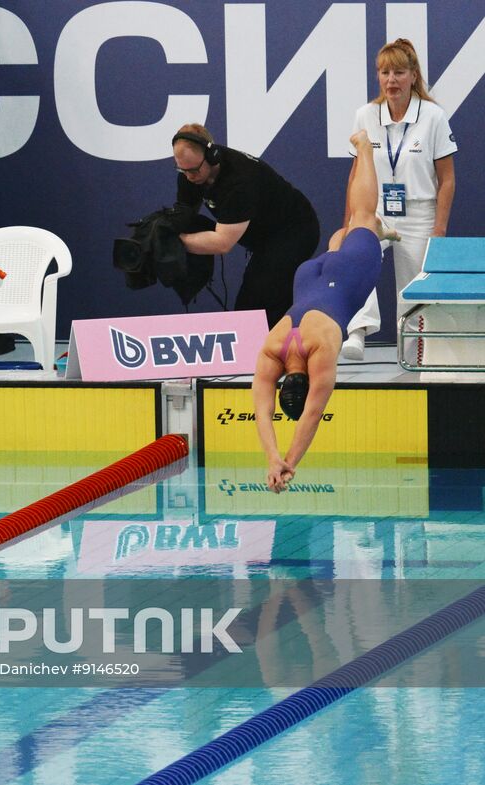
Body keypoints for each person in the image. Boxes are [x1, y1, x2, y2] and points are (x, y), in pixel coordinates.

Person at [253, 131, 395, 493]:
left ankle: (364, 150)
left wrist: (289, 462)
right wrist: (272, 458)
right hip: (307, 280)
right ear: (285, 382)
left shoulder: (320, 356)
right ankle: (378, 232)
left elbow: (313, 415)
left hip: (344, 283)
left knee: (361, 216)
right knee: (340, 240)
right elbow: (261, 413)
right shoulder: (273, 350)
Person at [338, 39, 458, 360]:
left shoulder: (433, 116)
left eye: (399, 72)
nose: (392, 80)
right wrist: (349, 220)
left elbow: (447, 180)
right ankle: (358, 332)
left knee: (414, 293)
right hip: (376, 210)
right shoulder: (365, 115)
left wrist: (440, 230)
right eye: (385, 72)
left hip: (420, 214)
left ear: (413, 76)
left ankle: (414, 359)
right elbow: (355, 174)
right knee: (356, 254)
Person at [173, 124, 320, 327]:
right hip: (264, 237)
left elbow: (222, 243)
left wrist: (176, 241)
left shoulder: (239, 181)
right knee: (254, 305)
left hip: (294, 231)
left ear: (212, 155)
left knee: (257, 303)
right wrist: (165, 228)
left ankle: (281, 352)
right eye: (182, 169)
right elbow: (184, 213)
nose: (189, 177)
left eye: (194, 170)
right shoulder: (190, 173)